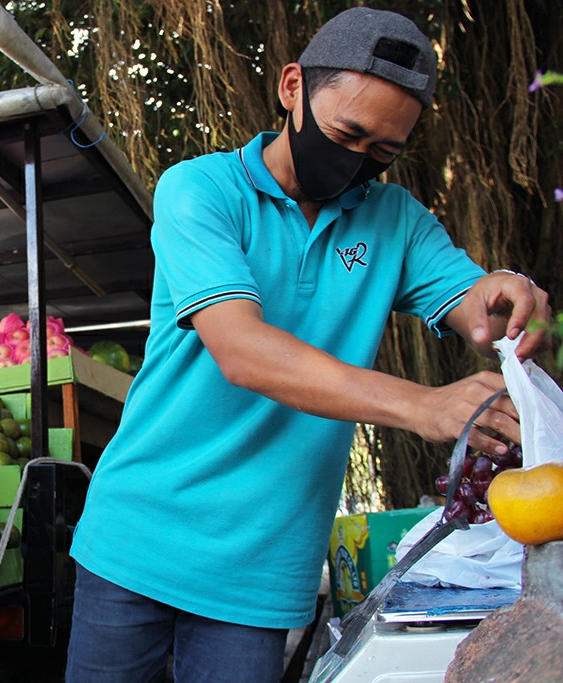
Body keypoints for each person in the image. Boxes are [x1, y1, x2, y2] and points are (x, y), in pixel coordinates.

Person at [66, 7, 552, 683]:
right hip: (137, 539)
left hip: (262, 568)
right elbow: (242, 349)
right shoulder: (200, 191)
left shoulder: (396, 222)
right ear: (293, 86)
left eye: (384, 152)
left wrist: (506, 291)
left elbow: (474, 303)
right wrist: (424, 405)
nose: (358, 161)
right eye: (347, 133)